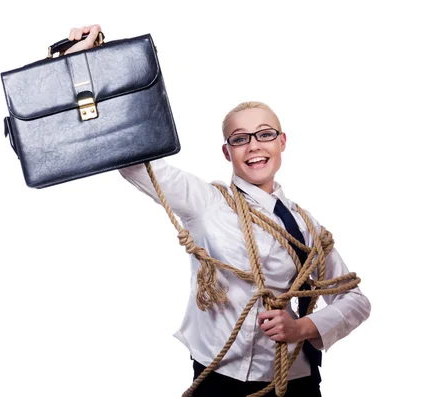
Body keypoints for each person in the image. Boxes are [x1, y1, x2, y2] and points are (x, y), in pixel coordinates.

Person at [65, 24, 371, 397]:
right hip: (218, 379)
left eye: (265, 134)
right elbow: (134, 159)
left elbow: (355, 299)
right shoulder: (207, 203)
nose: (253, 146)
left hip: (296, 383)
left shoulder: (307, 226)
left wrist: (302, 329)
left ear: (282, 142)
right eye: (240, 139)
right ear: (227, 152)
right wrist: (87, 64)